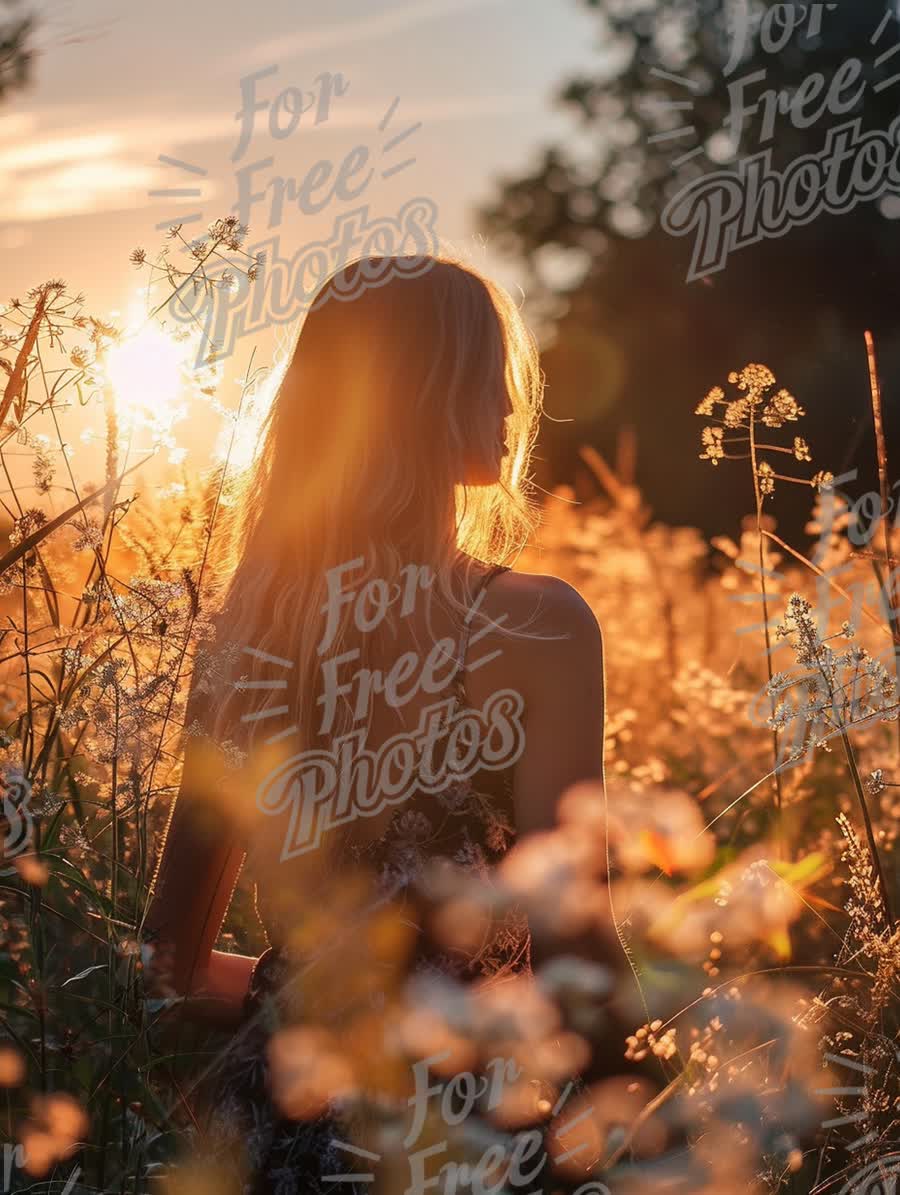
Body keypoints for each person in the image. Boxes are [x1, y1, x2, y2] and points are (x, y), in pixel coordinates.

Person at [143, 254, 608, 1193]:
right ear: (422, 399)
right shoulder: (536, 623)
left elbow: (168, 968)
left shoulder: (249, 639)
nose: (511, 411)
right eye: (487, 376)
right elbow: (577, 956)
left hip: (275, 1132)